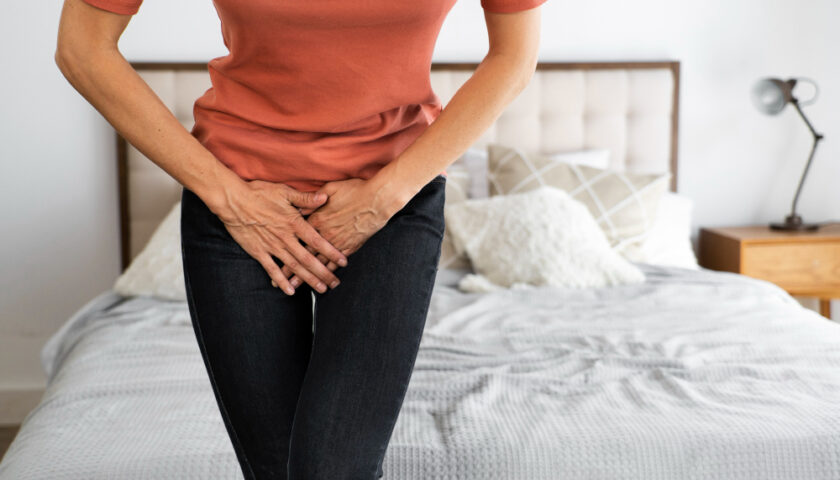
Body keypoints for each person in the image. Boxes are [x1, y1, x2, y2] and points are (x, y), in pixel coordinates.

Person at [55, 0, 544, 477]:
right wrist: (231, 200)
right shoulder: (234, 204)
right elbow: (82, 48)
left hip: (390, 201)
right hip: (237, 203)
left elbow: (514, 56)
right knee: (273, 468)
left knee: (333, 466)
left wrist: (381, 199)